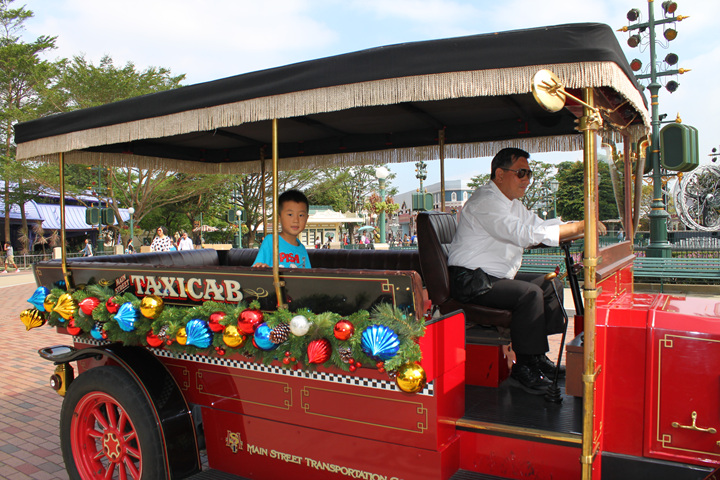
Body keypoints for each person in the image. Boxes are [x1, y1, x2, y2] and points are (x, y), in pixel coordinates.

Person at [447, 147, 606, 395]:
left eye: (529, 174)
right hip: (471, 280)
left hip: (492, 278)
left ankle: (536, 357)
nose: (527, 180)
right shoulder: (486, 202)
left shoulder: (511, 204)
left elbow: (538, 225)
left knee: (550, 283)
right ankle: (524, 368)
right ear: (500, 174)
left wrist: (576, 227)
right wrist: (580, 226)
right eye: (521, 173)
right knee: (529, 294)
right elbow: (523, 234)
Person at [252, 190, 311, 268]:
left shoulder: (302, 249)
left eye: (301, 215)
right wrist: (262, 267)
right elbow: (258, 268)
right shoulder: (271, 241)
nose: (296, 220)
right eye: (290, 214)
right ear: (279, 218)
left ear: (307, 218)